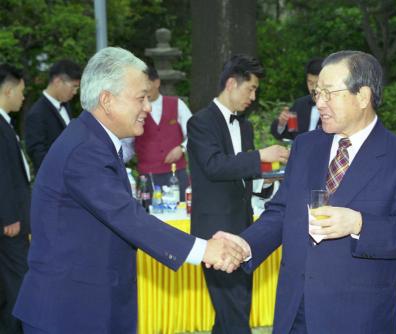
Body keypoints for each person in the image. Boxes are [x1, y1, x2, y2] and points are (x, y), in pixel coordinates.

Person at [12, 47, 246, 334]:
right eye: (141, 98)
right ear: (107, 101)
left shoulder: (93, 140)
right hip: (68, 313)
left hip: (90, 307)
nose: (148, 107)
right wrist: (204, 250)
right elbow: (126, 216)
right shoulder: (84, 149)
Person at [217, 50, 396, 333]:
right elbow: (283, 212)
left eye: (329, 93)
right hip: (295, 310)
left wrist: (359, 224)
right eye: (317, 93)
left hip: (359, 317)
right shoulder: (307, 146)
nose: (319, 103)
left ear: (363, 96)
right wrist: (246, 245)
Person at [187, 54, 289, 334]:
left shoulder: (244, 125)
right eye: (251, 89)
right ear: (232, 83)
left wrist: (270, 179)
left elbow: (244, 175)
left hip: (245, 231)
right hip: (214, 233)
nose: (253, 97)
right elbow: (215, 166)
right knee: (234, 312)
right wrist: (260, 156)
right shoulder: (200, 122)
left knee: (234, 310)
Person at [122, 66, 191, 200]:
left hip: (176, 174)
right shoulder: (134, 109)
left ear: (156, 82)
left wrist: (182, 148)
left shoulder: (177, 104)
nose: (143, 88)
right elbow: (127, 144)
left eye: (146, 83)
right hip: (147, 176)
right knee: (148, 216)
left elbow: (196, 133)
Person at [0, 64, 30, 334]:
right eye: (21, 91)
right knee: (17, 284)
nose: (23, 96)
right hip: (10, 223)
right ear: (7, 89)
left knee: (11, 286)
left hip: (13, 219)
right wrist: (9, 215)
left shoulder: (5, 123)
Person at [24, 59, 82, 174]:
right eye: (74, 86)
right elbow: (38, 157)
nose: (75, 92)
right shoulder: (36, 114)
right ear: (58, 81)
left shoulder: (66, 105)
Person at [270, 57, 323, 140]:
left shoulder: (335, 107)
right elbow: (290, 133)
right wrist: (282, 124)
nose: (313, 88)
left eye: (317, 83)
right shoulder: (300, 105)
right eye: (310, 82)